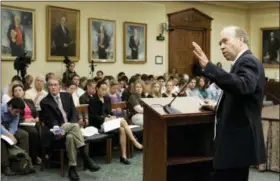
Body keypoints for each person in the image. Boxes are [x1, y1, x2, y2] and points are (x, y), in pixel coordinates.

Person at [192, 26, 266, 181]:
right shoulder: (240, 62)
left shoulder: (248, 61)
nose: (221, 46)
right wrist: (216, 106)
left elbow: (243, 85)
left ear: (241, 40)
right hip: (235, 140)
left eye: (225, 41)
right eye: (220, 43)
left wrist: (210, 67)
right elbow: (238, 95)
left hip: (237, 141)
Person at [40, 78, 100, 181]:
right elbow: (52, 122)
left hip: (71, 130)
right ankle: (85, 157)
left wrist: (72, 124)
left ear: (59, 87)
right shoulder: (45, 102)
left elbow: (74, 114)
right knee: (75, 126)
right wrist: (69, 126)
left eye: (55, 85)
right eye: (51, 85)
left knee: (70, 137)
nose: (53, 87)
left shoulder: (67, 96)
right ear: (48, 87)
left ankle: (72, 168)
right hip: (56, 131)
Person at [1, 97, 29, 175]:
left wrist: (11, 135)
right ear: (10, 106)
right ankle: (5, 166)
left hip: (8, 130)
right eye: (16, 111)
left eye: (19, 112)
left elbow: (14, 126)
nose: (17, 114)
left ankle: (23, 161)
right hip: (1, 130)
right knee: (1, 140)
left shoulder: (17, 112)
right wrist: (9, 135)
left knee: (24, 135)